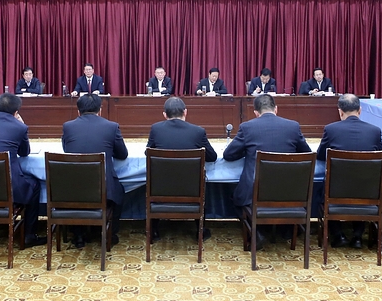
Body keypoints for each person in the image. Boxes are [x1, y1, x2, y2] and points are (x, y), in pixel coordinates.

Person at [224, 94, 310, 248]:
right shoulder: (293, 126)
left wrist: (247, 151)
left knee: (236, 198)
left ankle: (256, 232)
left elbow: (229, 155)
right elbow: (307, 155)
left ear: (256, 112)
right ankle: (287, 230)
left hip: (255, 191)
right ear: (276, 109)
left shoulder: (247, 127)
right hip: (290, 192)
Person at [0, 93, 46, 248]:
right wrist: (22, 125)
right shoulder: (19, 127)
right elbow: (24, 152)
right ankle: (29, 235)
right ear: (16, 112)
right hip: (7, 188)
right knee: (34, 185)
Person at [315, 94, 382, 249]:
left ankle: (338, 235)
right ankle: (358, 236)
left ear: (340, 111)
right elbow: (379, 155)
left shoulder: (331, 129)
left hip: (336, 191)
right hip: (367, 191)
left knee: (324, 189)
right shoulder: (375, 131)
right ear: (360, 110)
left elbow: (320, 155)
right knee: (361, 185)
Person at [145, 97, 217, 241]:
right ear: (185, 112)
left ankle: (153, 230)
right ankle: (200, 231)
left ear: (164, 114)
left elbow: (148, 153)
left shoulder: (156, 129)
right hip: (191, 190)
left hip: (161, 190)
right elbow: (212, 157)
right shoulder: (198, 131)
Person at [61, 94, 128, 247]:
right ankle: (109, 234)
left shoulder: (68, 126)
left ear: (78, 111)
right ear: (100, 110)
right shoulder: (111, 126)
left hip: (73, 189)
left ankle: (78, 235)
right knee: (119, 190)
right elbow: (122, 154)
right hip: (103, 189)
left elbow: (67, 149)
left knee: (77, 190)